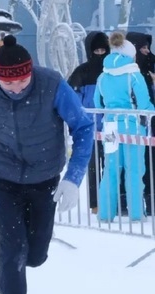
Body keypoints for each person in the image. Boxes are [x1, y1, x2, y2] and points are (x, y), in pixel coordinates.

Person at [0, 35, 94, 294]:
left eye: (23, 80)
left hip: (44, 178)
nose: (17, 88)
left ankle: (9, 260)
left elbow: (83, 127)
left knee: (35, 255)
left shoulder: (51, 84)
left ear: (31, 71)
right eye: (9, 84)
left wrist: (73, 178)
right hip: (1, 180)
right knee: (15, 248)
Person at [94, 32, 155, 222]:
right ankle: (136, 214)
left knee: (111, 170)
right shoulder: (134, 76)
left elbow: (97, 103)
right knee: (134, 170)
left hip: (110, 126)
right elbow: (145, 105)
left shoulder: (102, 76)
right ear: (130, 55)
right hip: (132, 127)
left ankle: (105, 213)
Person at [68, 31, 109, 214]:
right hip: (90, 128)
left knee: (111, 168)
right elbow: (72, 98)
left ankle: (111, 201)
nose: (100, 54)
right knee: (93, 168)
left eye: (103, 50)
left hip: (111, 128)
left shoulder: (112, 70)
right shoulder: (82, 72)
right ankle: (95, 203)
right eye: (97, 50)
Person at [126, 31, 155, 215]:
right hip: (136, 125)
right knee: (139, 164)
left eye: (147, 47)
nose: (146, 51)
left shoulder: (152, 64)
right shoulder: (128, 71)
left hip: (150, 123)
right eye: (142, 48)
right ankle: (139, 203)